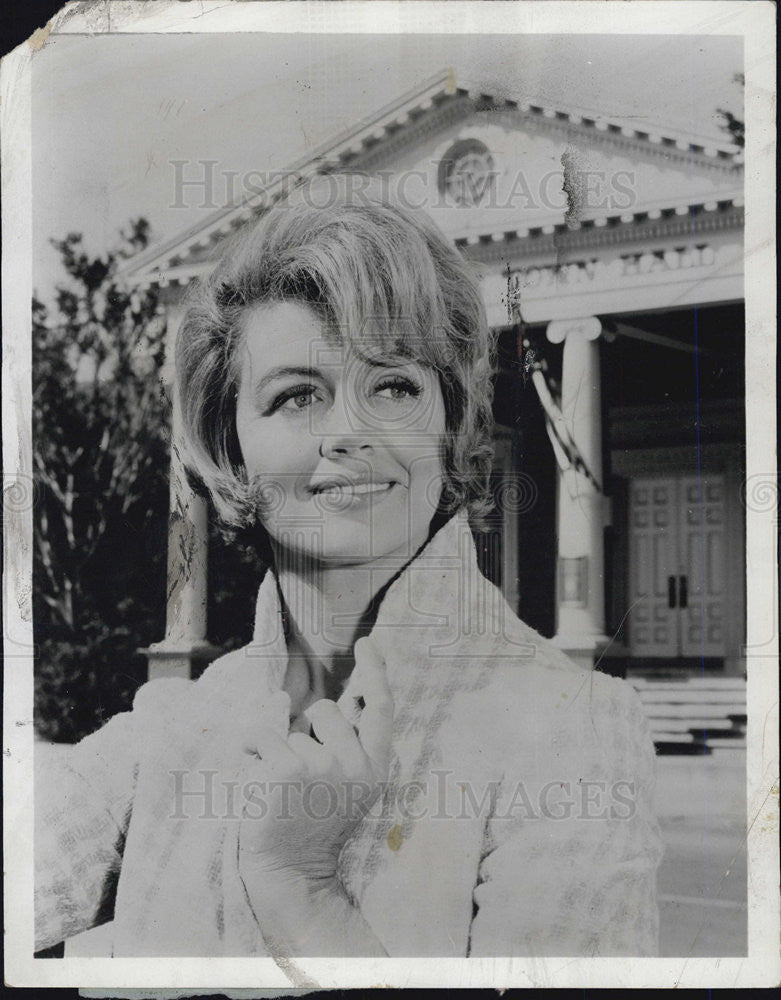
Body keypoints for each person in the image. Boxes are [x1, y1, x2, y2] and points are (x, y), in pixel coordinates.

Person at [35, 175, 663, 958]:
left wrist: (299, 881)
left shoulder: (572, 727)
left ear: (449, 422)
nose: (348, 431)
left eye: (393, 386)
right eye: (297, 396)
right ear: (230, 447)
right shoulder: (174, 728)